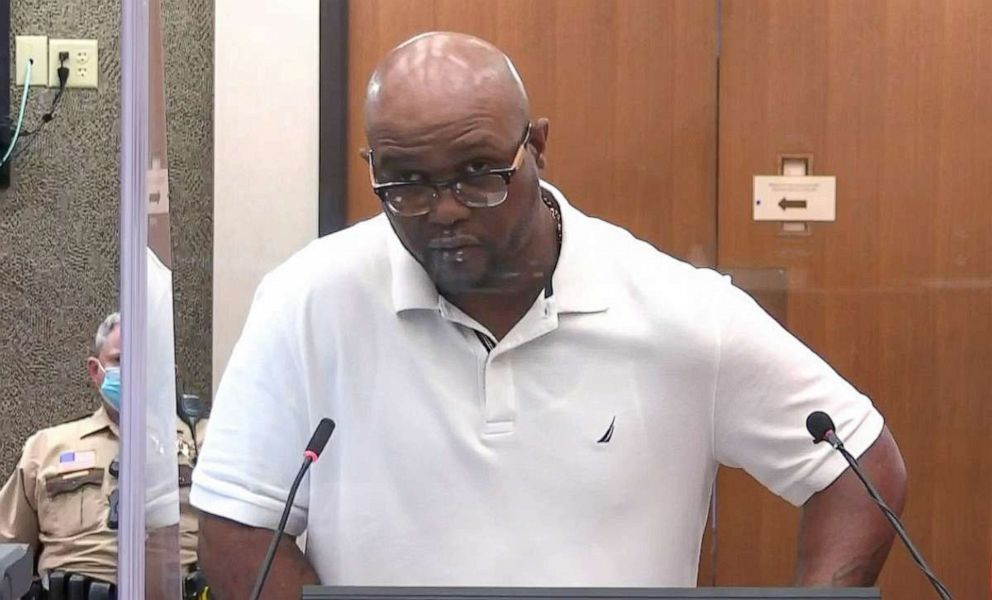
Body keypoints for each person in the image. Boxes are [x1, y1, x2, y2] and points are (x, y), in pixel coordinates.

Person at [191, 32, 906, 598]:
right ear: (370, 164)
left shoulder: (677, 309)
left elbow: (859, 463)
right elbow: (236, 527)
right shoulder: (308, 299)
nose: (444, 211)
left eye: (478, 173)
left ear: (536, 144)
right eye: (405, 182)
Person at [0, 312, 207, 598]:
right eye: (121, 360)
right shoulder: (46, 448)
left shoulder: (203, 443)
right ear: (96, 371)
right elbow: (6, 548)